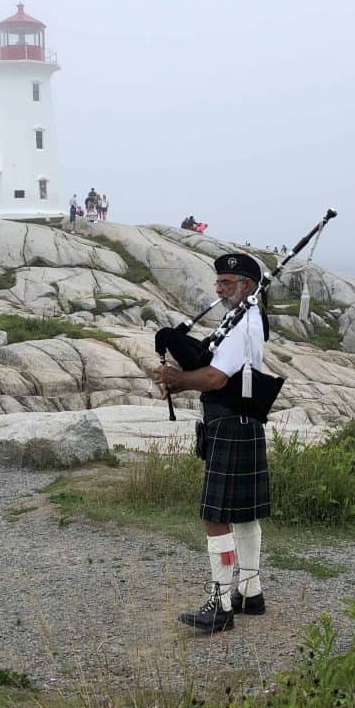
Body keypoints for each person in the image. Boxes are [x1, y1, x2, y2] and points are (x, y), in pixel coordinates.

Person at [153, 253, 270, 633]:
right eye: (218, 282)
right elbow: (212, 362)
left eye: (227, 283)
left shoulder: (243, 324)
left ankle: (220, 605)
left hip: (229, 422)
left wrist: (177, 379)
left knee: (215, 516)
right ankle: (250, 593)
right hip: (243, 421)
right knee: (245, 514)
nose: (218, 289)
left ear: (247, 286)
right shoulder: (244, 318)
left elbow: (218, 378)